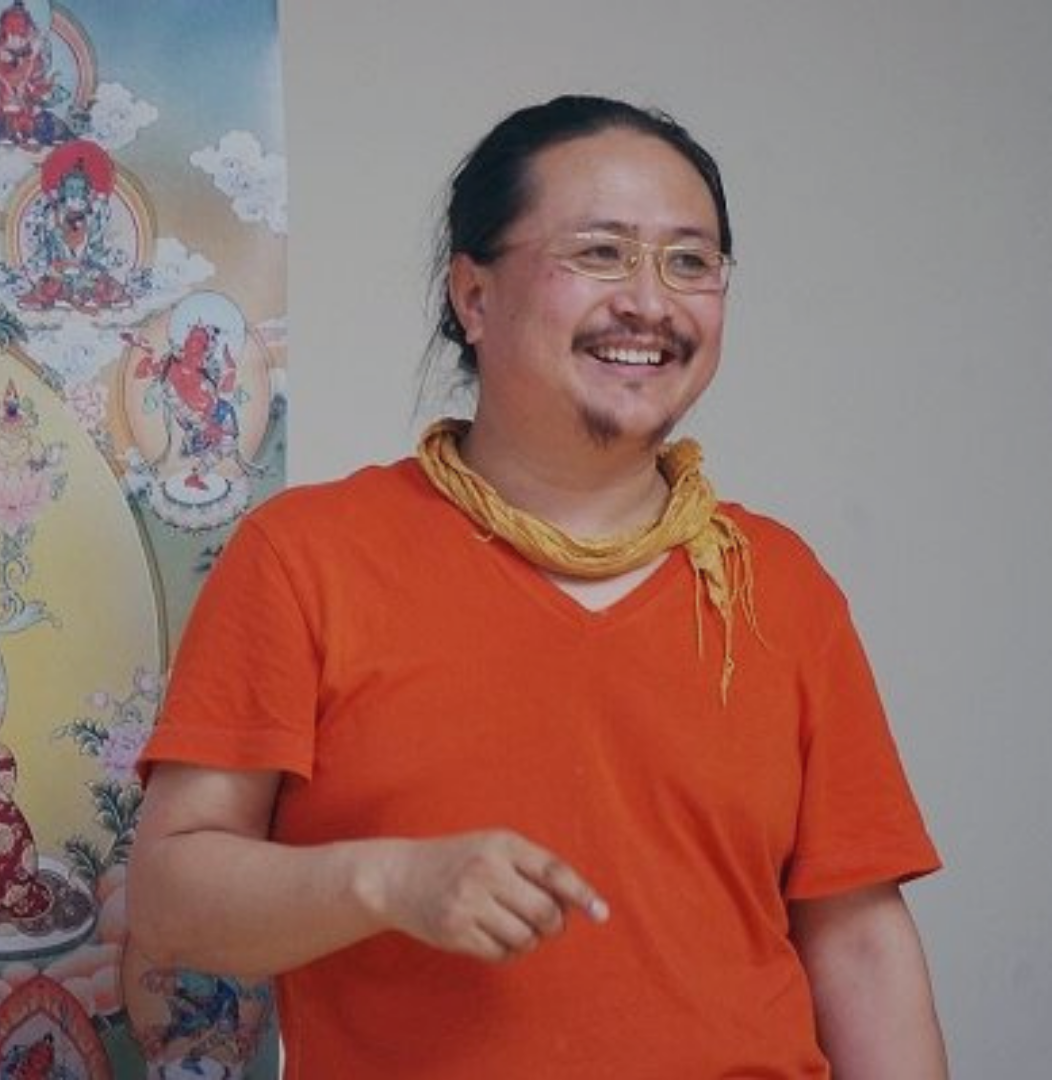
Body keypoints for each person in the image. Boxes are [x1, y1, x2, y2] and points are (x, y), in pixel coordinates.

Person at [129, 95, 948, 1078]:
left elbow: (860, 944)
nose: (650, 301)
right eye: (601, 253)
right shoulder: (308, 556)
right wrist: (387, 882)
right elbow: (170, 901)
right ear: (473, 296)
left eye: (690, 262)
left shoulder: (776, 582)